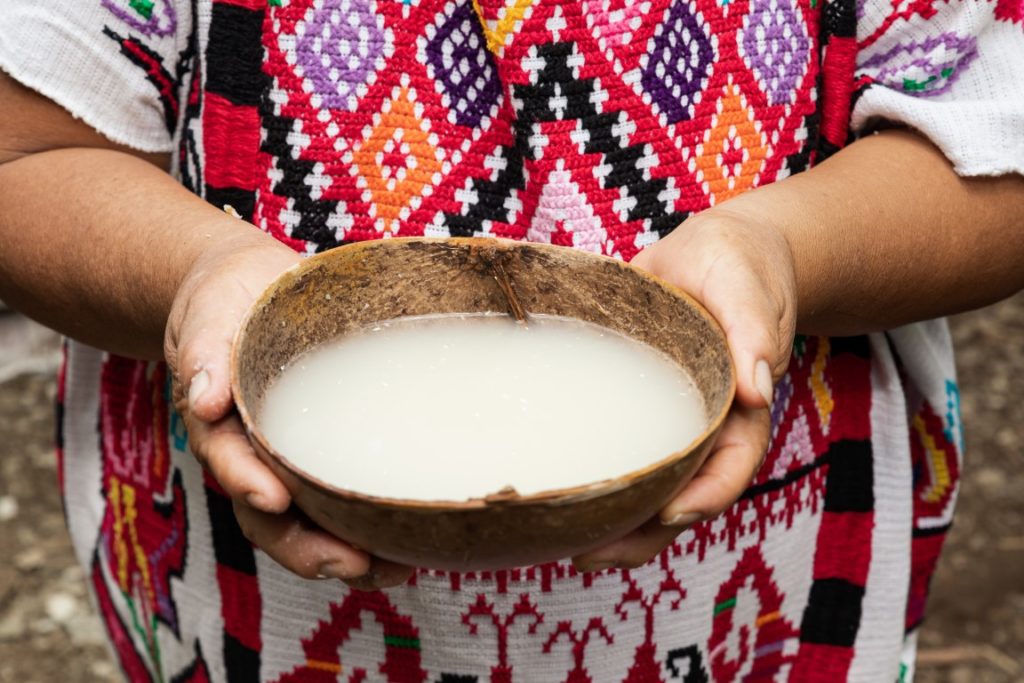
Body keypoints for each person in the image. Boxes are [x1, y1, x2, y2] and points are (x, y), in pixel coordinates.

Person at [0, 0, 1021, 679]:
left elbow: (995, 138)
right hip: (249, 612)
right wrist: (195, 277)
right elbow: (25, 148)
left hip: (761, 606)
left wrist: (781, 252)